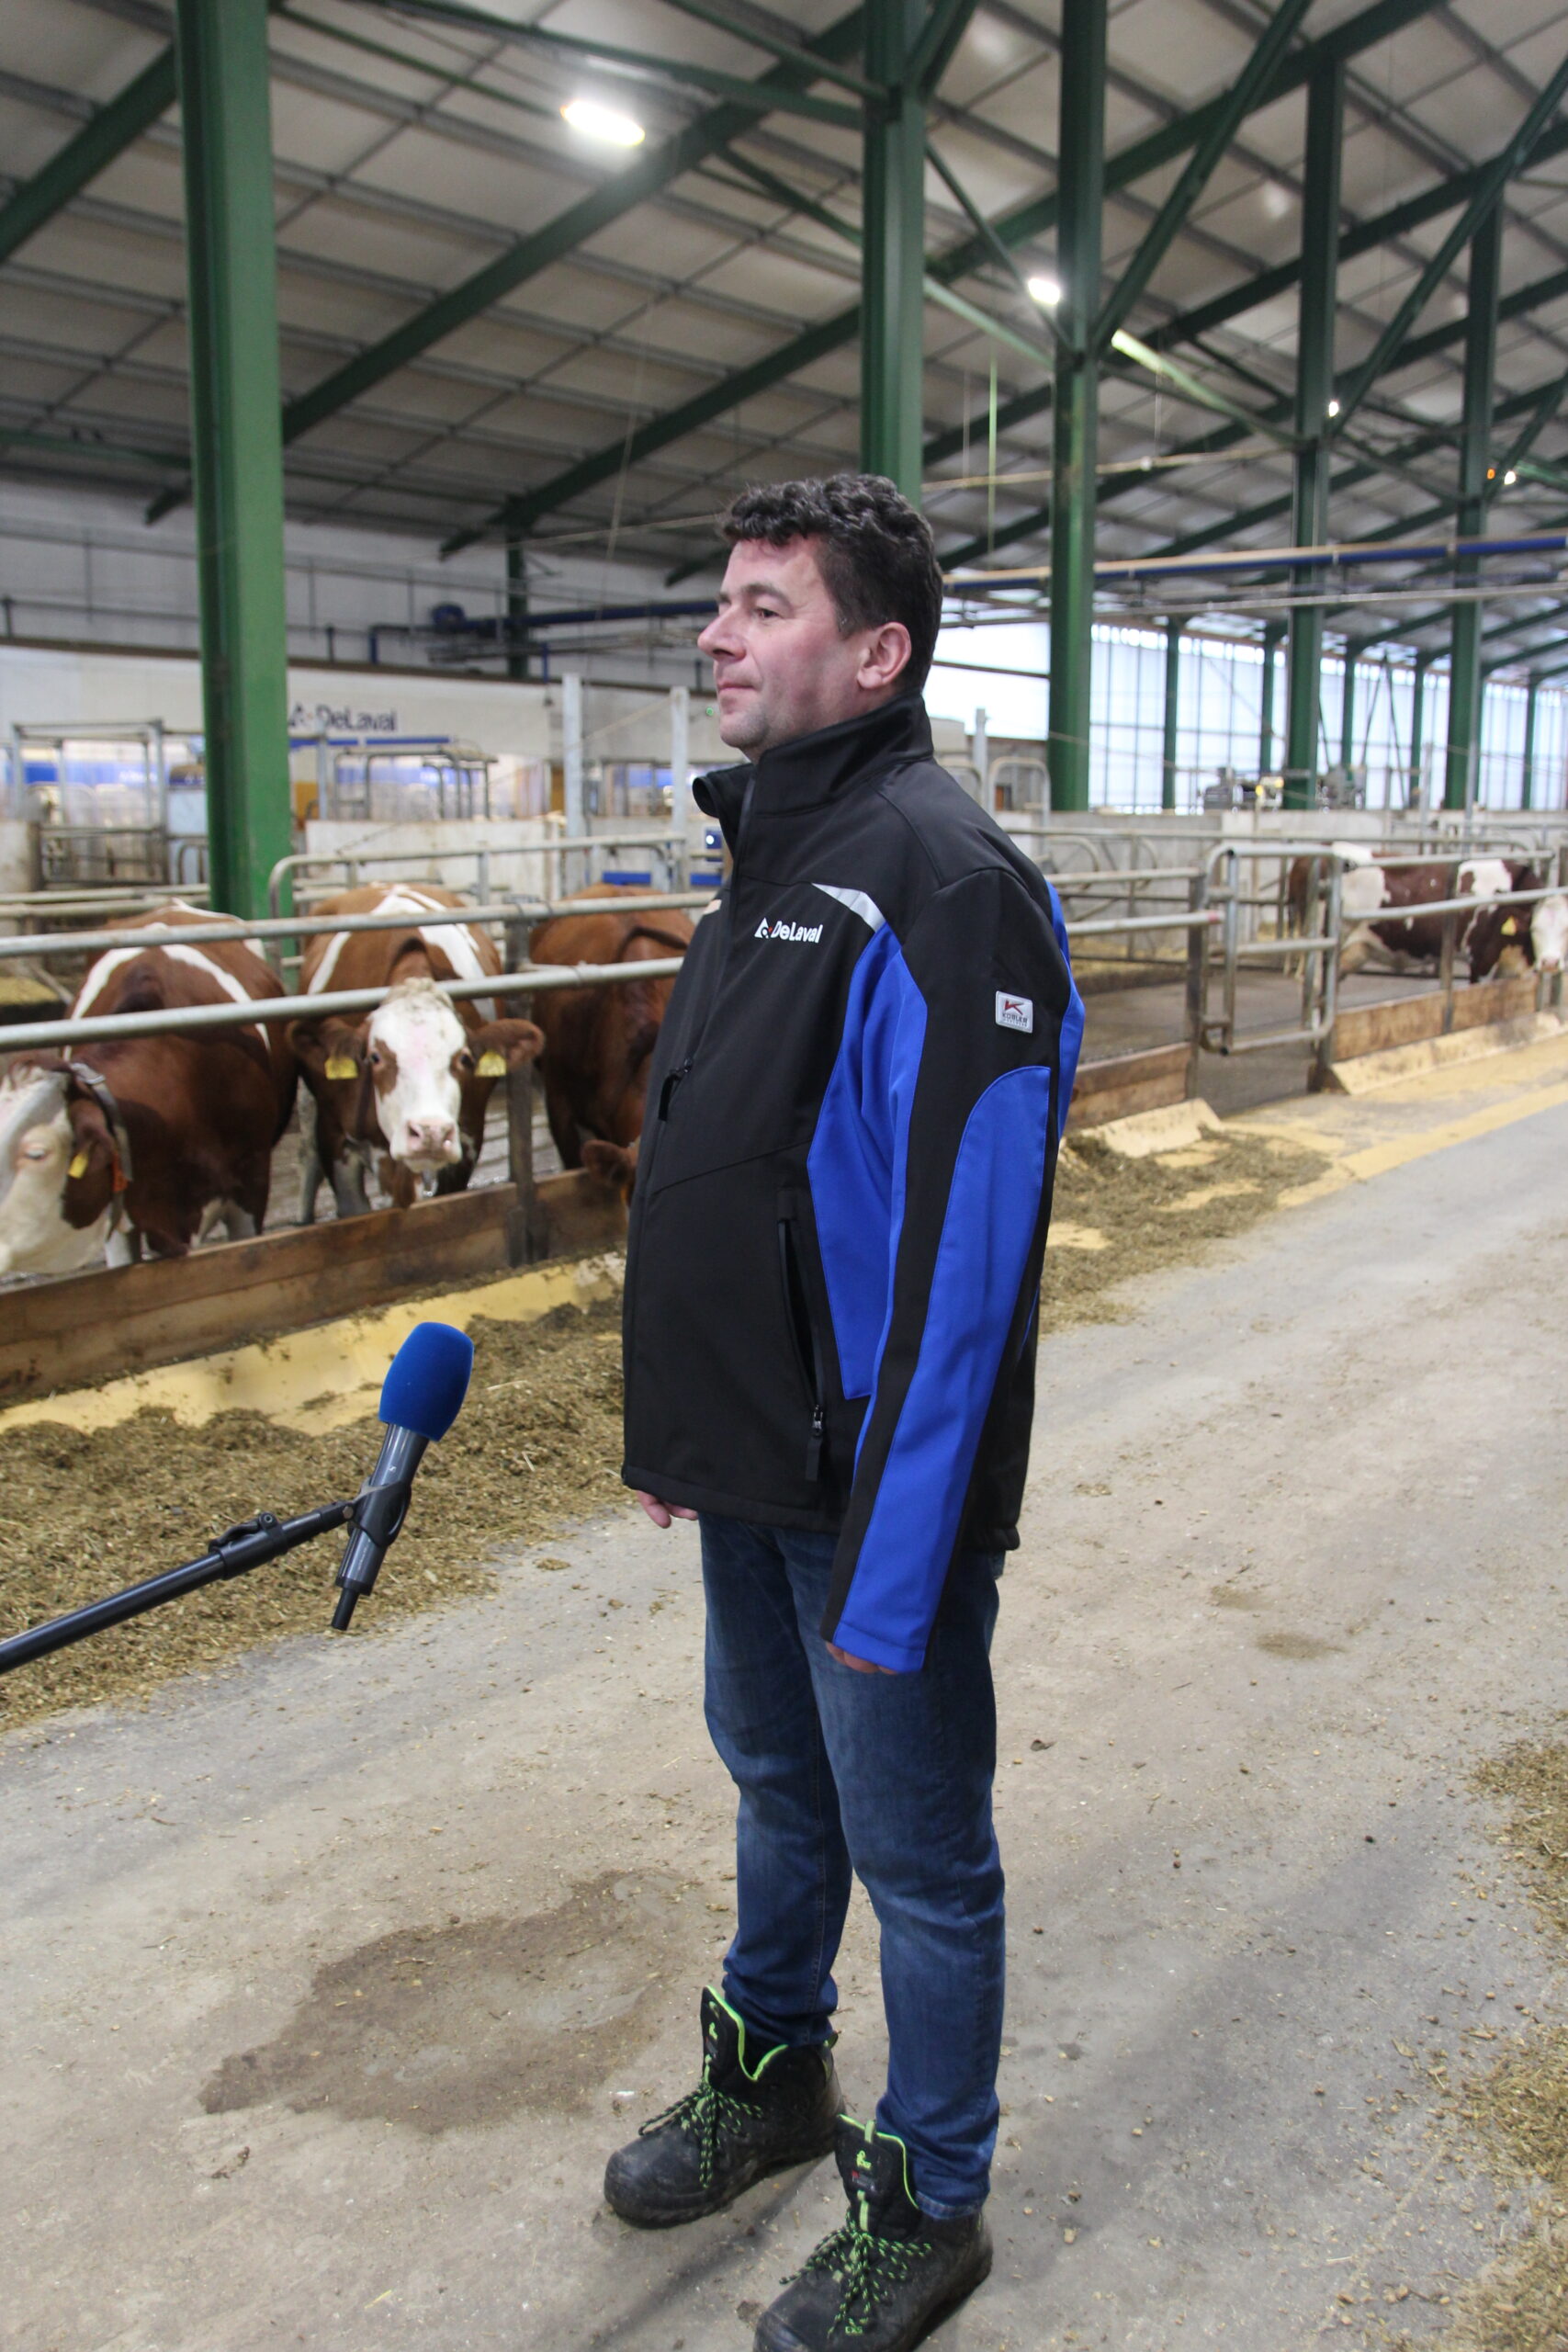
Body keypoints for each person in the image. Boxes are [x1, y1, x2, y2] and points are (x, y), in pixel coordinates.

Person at [605, 473, 1084, 2352]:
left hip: (876, 1486)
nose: (714, 632)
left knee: (921, 1853)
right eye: (720, 599)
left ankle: (931, 2195)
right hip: (753, 1461)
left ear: (877, 652)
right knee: (773, 1782)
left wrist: (894, 1556)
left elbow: (964, 1268)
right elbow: (731, 1172)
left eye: (762, 604)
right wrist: (682, 1425)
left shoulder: (945, 883)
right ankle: (775, 2071)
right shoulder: (769, 862)